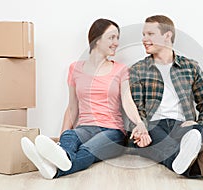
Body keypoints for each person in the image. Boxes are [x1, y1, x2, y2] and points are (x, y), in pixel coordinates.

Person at [20, 18, 148, 179]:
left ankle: (52, 166)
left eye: (117, 38)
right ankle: (57, 157)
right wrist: (61, 140)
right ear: (96, 39)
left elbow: (127, 101)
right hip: (85, 127)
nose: (116, 42)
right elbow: (72, 107)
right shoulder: (75, 69)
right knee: (70, 136)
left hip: (112, 132)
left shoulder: (120, 70)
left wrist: (139, 123)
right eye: (111, 37)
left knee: (87, 149)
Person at [128, 15, 203, 181]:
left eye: (150, 34)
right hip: (154, 126)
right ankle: (202, 164)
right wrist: (141, 127)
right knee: (146, 142)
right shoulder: (138, 69)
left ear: (167, 35)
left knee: (196, 133)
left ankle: (201, 140)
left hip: (182, 124)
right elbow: (137, 107)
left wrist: (200, 123)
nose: (144, 39)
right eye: (143, 34)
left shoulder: (190, 67)